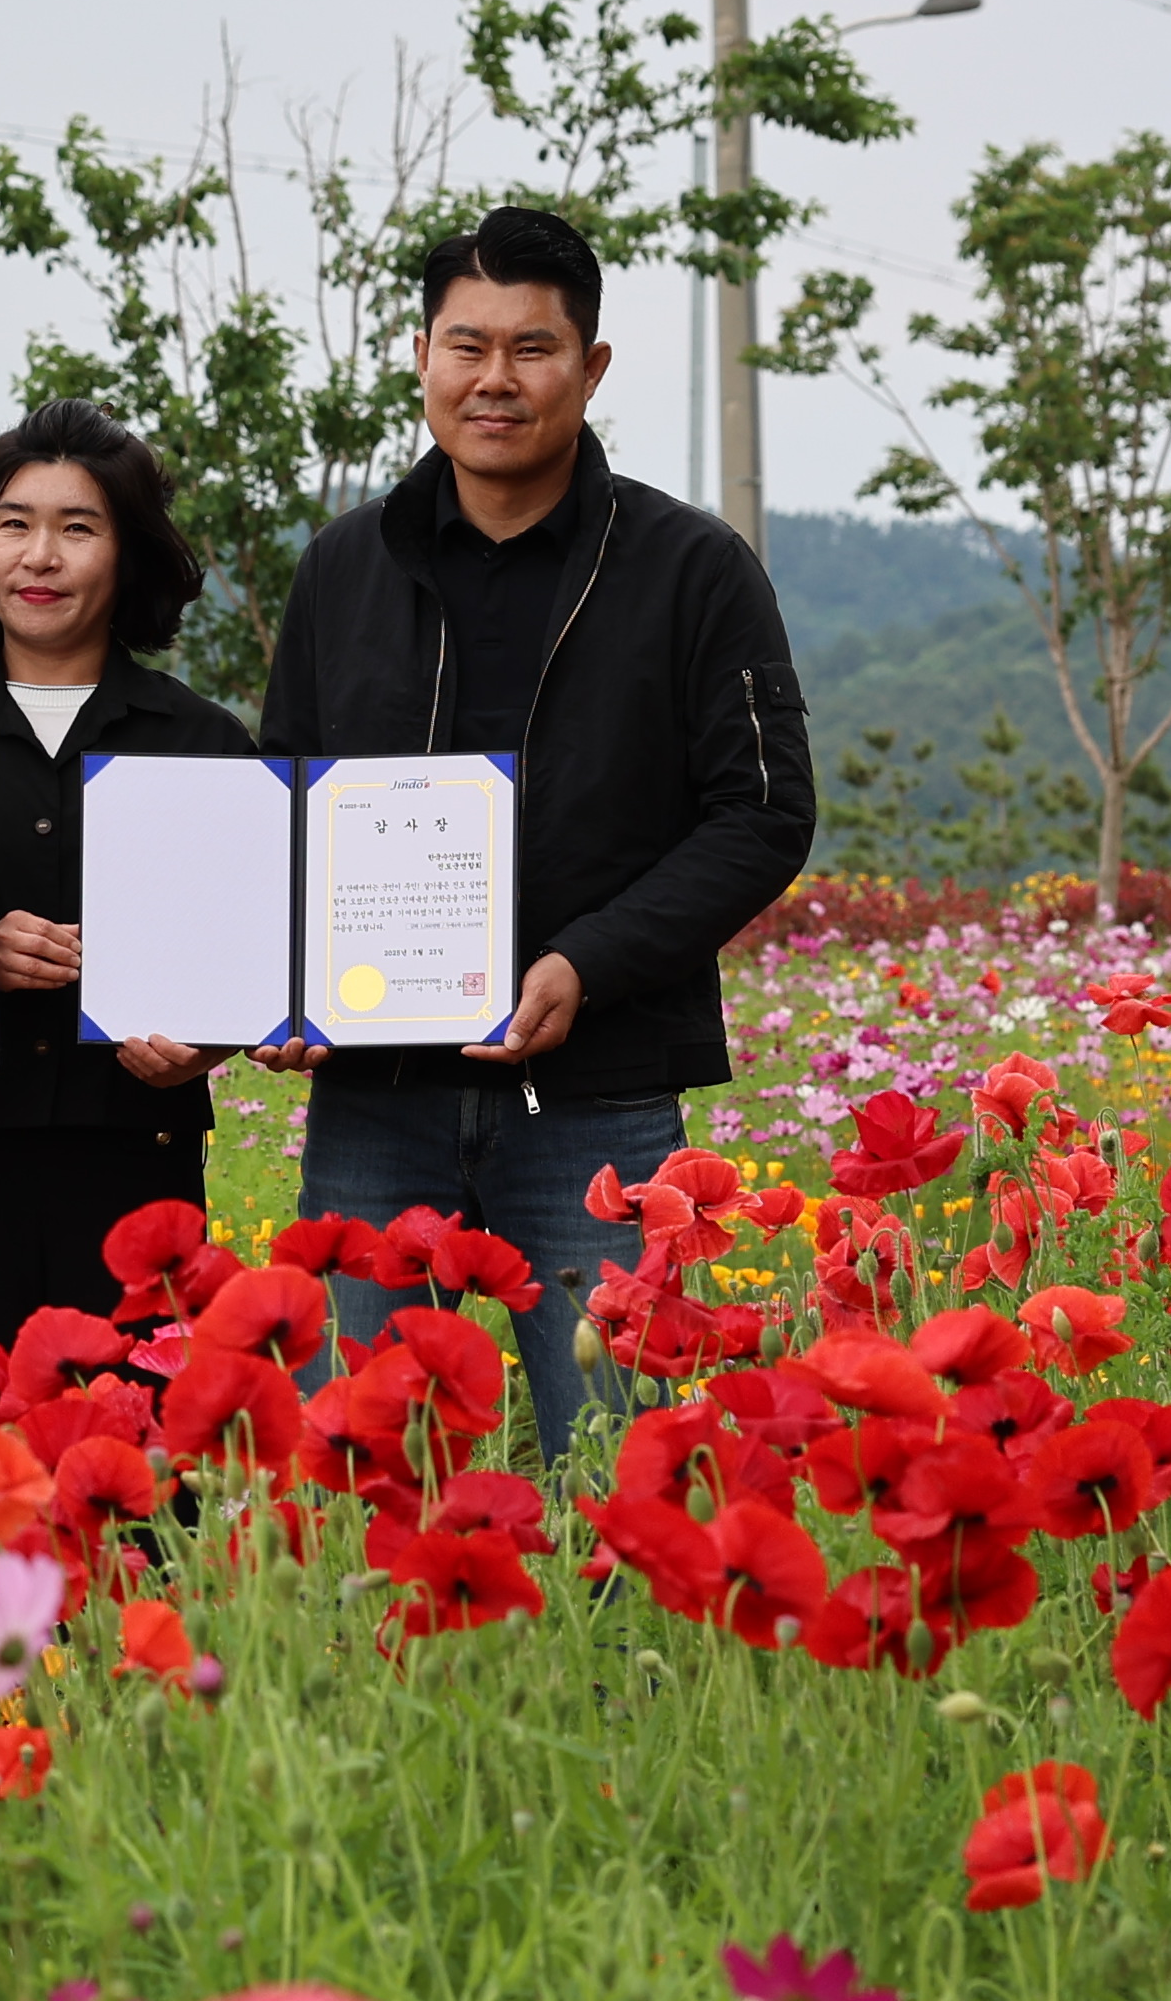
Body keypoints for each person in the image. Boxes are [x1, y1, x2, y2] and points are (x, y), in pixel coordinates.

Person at [254, 201, 812, 1459]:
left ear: (591, 365)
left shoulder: (690, 569)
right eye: (467, 345)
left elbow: (766, 813)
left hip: (598, 1102)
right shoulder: (344, 567)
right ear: (421, 356)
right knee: (356, 1469)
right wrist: (275, 987)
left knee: (622, 1475)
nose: (494, 379)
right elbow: (280, 803)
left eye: (532, 348)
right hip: (373, 1103)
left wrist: (584, 965)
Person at [0, 402, 249, 1416]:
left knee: (144, 1476)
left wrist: (211, 1038)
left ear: (129, 554)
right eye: (12, 521)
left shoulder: (204, 742)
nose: (39, 555)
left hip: (140, 1160)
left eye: (79, 527)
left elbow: (248, 954)